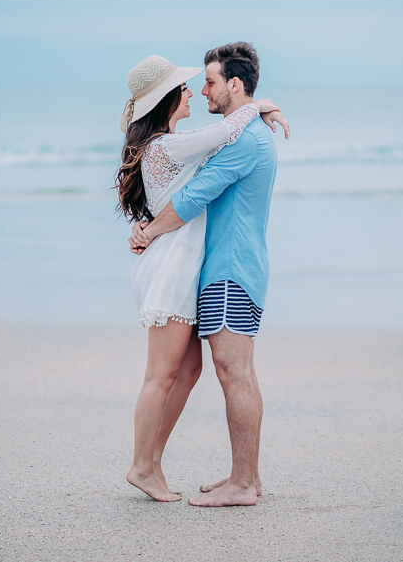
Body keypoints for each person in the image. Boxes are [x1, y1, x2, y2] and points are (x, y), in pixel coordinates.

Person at [116, 53, 288, 503]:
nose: (200, 90)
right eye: (193, 85)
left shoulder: (243, 141)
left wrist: (150, 229)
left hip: (227, 269)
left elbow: (193, 196)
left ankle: (242, 481)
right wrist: (260, 105)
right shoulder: (213, 139)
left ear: (233, 85)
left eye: (209, 82)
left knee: (230, 373)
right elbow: (188, 189)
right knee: (191, 372)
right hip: (192, 268)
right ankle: (154, 466)